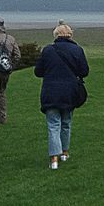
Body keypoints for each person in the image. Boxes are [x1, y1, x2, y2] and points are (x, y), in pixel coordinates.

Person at [33, 23, 89, 170]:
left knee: (53, 125)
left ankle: (54, 159)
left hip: (50, 91)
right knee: (66, 123)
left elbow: (38, 71)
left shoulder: (48, 50)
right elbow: (84, 71)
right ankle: (64, 152)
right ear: (70, 35)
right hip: (70, 92)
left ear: (56, 35)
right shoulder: (77, 50)